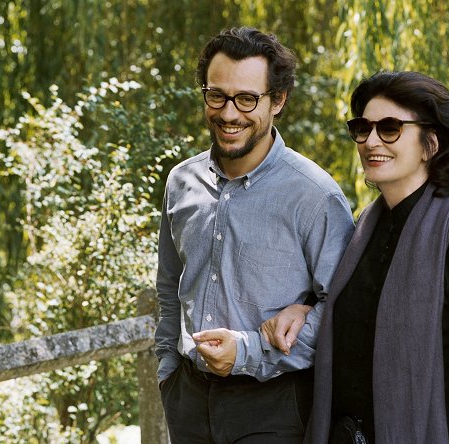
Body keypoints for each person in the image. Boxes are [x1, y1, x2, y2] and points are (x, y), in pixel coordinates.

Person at [262, 71, 449, 443]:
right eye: (363, 127)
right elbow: (358, 318)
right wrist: (304, 307)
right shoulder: (363, 230)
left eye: (390, 128)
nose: (371, 141)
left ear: (430, 143)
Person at [154, 27, 355, 444]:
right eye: (217, 95)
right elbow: (169, 288)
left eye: (247, 99)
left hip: (275, 407)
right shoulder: (180, 182)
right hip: (187, 398)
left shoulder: (315, 196)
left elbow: (341, 312)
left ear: (277, 101)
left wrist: (248, 351)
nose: (229, 113)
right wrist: (167, 374)